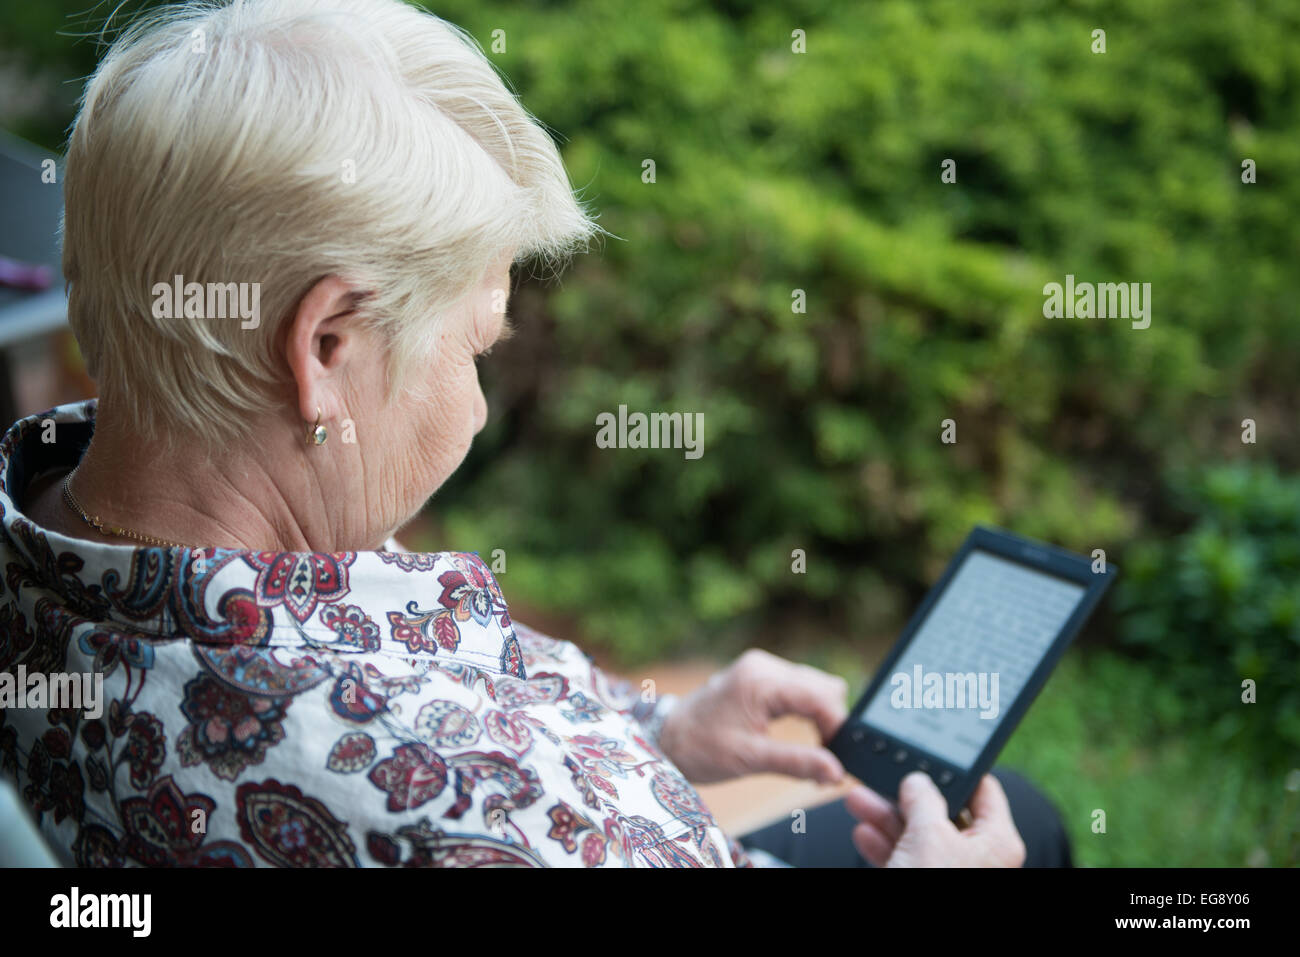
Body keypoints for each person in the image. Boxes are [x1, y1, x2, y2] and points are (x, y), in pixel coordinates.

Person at [0, 0, 1069, 867]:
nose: (476, 401)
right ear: (323, 346)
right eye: (475, 347)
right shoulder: (467, 817)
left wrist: (658, 730)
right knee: (1013, 821)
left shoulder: (68, 535)